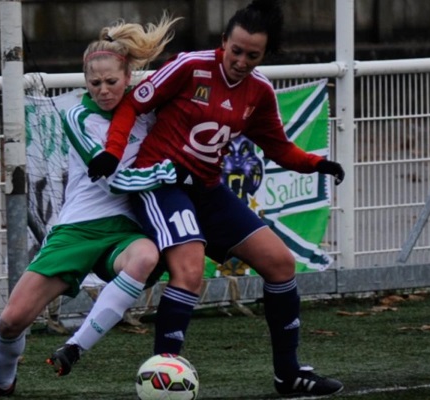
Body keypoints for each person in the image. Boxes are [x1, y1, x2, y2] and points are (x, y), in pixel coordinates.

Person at [86, 0, 345, 397]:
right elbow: (132, 104)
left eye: (252, 55)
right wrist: (112, 153)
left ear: (265, 54)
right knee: (189, 271)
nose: (240, 60)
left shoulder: (259, 92)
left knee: (280, 263)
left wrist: (317, 164)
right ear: (224, 41)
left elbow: (278, 147)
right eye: (235, 50)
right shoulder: (189, 66)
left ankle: (288, 374)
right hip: (163, 183)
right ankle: (163, 383)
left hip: (207, 189)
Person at [0, 13, 181, 398]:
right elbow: (115, 179)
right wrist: (170, 172)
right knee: (11, 322)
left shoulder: (149, 113)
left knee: (145, 256)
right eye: (95, 83)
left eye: (112, 81)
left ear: (128, 78)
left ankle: (75, 346)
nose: (104, 90)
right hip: (77, 230)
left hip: (125, 230)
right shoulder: (78, 116)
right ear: (84, 82)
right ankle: (0, 383)